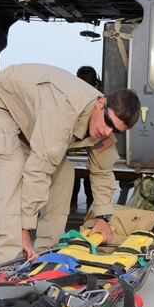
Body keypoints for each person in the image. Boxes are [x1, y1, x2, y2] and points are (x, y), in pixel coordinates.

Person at [0, 63, 140, 264]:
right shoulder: (63, 110)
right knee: (12, 167)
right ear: (100, 103)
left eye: (116, 130)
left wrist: (102, 218)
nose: (108, 132)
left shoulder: (103, 124)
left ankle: (45, 254)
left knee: (64, 174)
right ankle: (5, 262)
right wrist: (24, 230)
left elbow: (102, 171)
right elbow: (38, 170)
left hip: (27, 118)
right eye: (109, 123)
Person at [70, 66, 100, 211]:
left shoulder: (99, 99)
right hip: (74, 145)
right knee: (71, 179)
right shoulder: (72, 96)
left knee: (91, 179)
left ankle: (89, 207)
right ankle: (74, 204)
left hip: (89, 145)